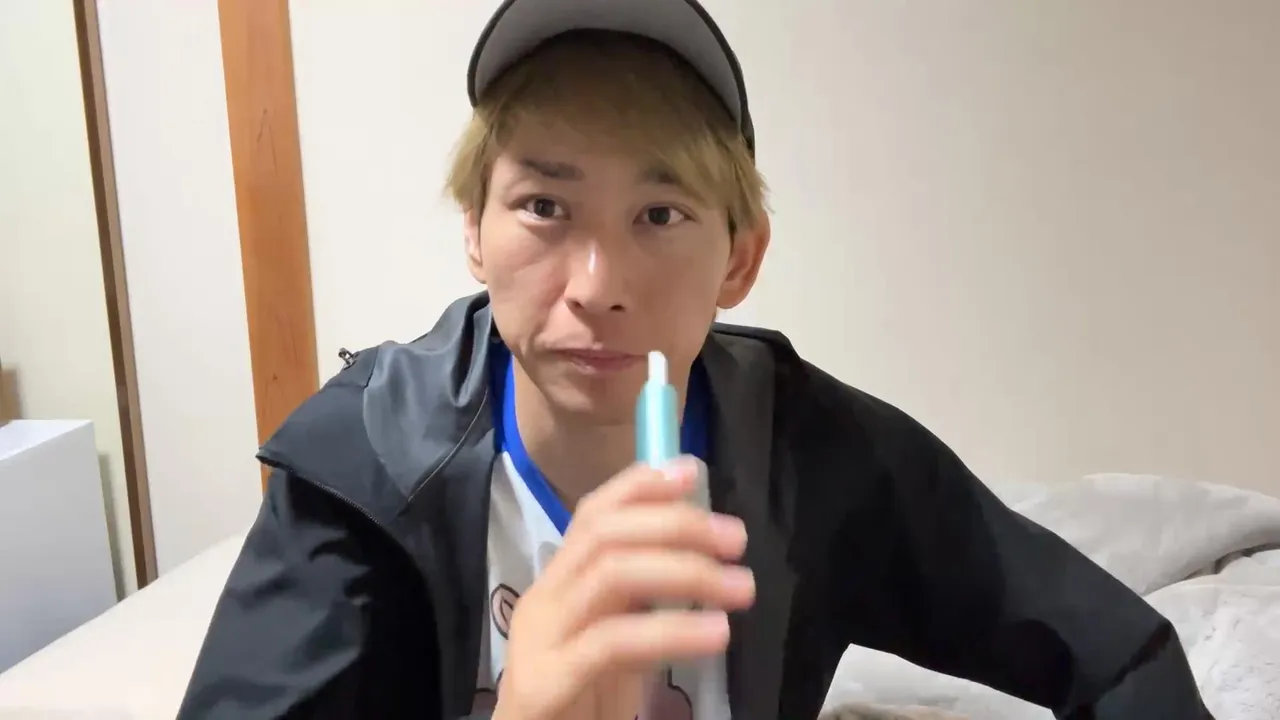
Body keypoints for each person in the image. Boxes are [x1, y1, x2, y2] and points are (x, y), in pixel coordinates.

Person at [177, 1, 1214, 718]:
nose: (597, 284)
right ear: (474, 233)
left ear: (740, 259)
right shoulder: (363, 469)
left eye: (660, 213)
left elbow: (1117, 653)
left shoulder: (814, 454)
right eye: (544, 205)